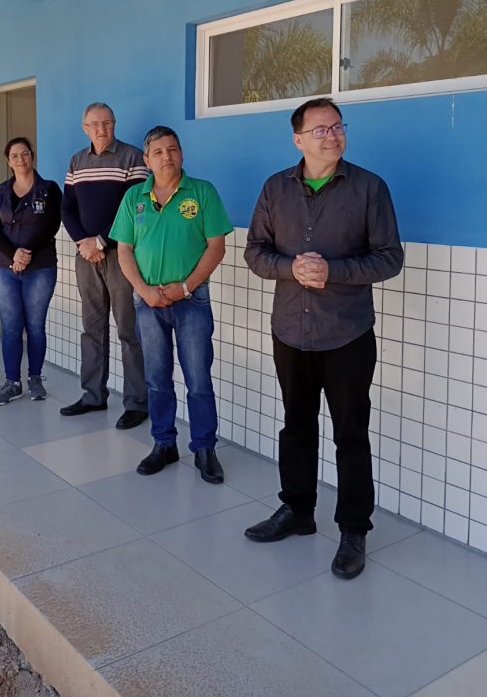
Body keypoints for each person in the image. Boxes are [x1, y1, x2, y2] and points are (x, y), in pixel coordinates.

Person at [243, 97, 403, 579]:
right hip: (291, 330)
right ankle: (297, 510)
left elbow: (389, 258)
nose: (332, 135)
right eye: (320, 129)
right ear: (298, 140)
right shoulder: (275, 188)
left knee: (350, 433)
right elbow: (255, 252)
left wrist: (332, 271)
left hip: (346, 333)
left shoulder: (370, 188)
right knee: (296, 424)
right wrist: (290, 268)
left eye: (337, 127)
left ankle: (353, 529)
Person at [111, 125, 232, 483]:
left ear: (181, 153)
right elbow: (124, 250)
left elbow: (216, 246)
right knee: (156, 378)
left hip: (192, 301)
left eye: (173, 149)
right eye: (159, 151)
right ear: (147, 160)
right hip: (147, 302)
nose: (167, 156)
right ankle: (164, 443)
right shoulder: (133, 197)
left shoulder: (203, 192)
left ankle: (205, 448)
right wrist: (144, 290)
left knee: (198, 378)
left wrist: (185, 287)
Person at [60, 103, 149, 429]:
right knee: (92, 328)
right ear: (85, 128)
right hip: (86, 255)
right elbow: (67, 207)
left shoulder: (132, 157)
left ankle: (137, 403)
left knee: (129, 329)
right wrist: (83, 243)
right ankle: (93, 395)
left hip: (120, 255)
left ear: (114, 123)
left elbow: (135, 208)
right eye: (94, 124)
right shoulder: (76, 161)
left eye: (107, 122)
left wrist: (100, 242)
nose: (101, 129)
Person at [0, 137, 61, 405]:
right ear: (8, 161)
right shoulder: (0, 191)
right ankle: (12, 383)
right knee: (11, 327)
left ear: (32, 156)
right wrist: (13, 254)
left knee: (35, 326)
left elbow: (51, 225)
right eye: (15, 155)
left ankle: (35, 378)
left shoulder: (49, 189)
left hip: (40, 267)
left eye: (25, 153)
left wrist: (26, 253)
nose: (21, 159)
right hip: (4, 267)